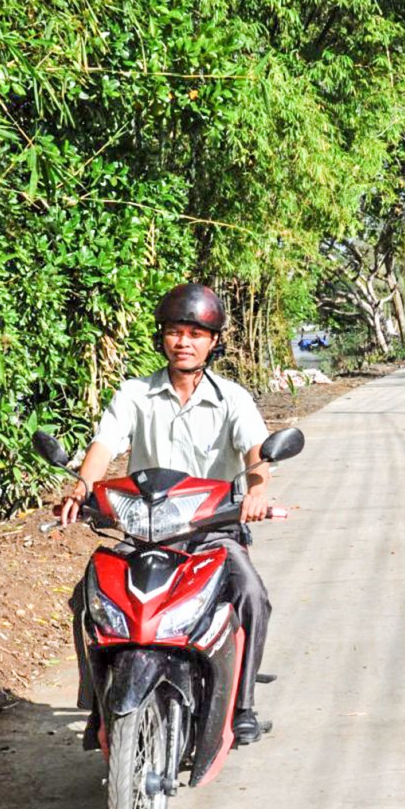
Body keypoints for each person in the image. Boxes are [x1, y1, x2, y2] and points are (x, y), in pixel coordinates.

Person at [57, 282, 277, 746]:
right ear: (163, 338)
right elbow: (105, 444)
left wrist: (256, 491)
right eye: (175, 332)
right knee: (87, 599)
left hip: (210, 532)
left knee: (252, 595)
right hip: (144, 533)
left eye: (195, 334)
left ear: (212, 342)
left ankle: (243, 707)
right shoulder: (136, 393)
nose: (183, 342)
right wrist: (82, 486)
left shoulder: (232, 398)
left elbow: (258, 453)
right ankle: (97, 704)